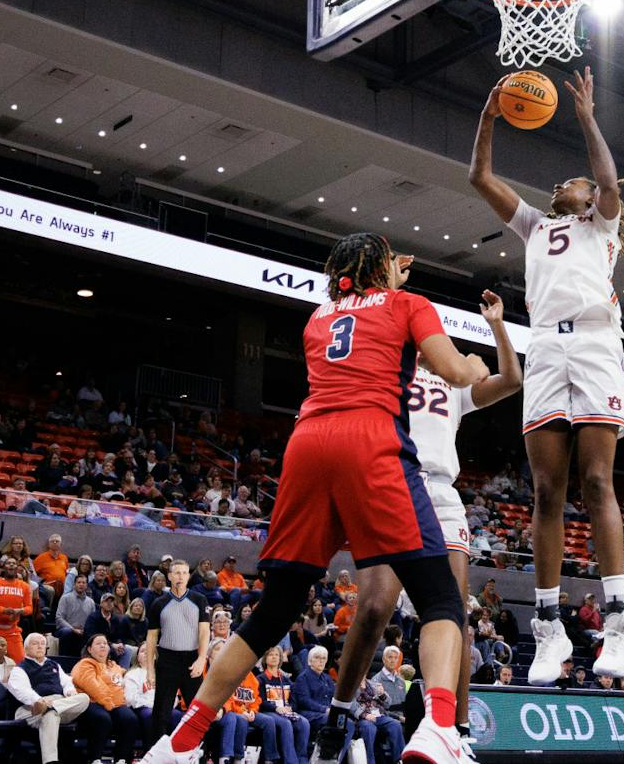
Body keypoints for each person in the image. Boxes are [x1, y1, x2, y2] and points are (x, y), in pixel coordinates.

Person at [138, 232, 487, 764]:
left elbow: (362, 318)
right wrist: (476, 366)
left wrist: (384, 280)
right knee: (440, 597)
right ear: (382, 268)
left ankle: (181, 740)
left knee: (275, 609)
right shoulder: (407, 302)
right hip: (370, 440)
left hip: (307, 444)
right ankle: (439, 726)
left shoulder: (318, 317)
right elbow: (456, 371)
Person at [470, 67, 624, 685]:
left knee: (596, 480)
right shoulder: (534, 224)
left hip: (598, 343)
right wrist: (490, 117)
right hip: (545, 346)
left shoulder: (601, 224)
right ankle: (549, 632)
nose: (563, 181)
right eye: (563, 180)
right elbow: (480, 178)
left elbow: (603, 176)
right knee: (546, 492)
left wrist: (585, 116)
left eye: (571, 179)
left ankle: (619, 623)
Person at [311, 288, 521, 760]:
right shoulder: (388, 371)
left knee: (454, 617)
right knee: (374, 608)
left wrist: (496, 327)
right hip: (393, 483)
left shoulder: (453, 385)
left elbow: (511, 378)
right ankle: (337, 717)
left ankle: (455, 731)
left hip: (443, 497)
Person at [145, 558, 211, 738]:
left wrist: (201, 658)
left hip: (192, 660)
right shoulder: (159, 603)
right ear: (169, 576)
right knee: (161, 713)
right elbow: (151, 638)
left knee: (196, 712)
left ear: (189, 576)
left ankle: (197, 754)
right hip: (167, 660)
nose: (180, 577)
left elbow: (205, 631)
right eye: (176, 573)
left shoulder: (199, 599)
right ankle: (156, 753)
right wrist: (150, 670)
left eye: (184, 573)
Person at [6, 631, 90, 764]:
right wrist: (39, 700)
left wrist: (70, 692)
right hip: (30, 709)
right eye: (35, 643)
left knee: (84, 698)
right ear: (26, 648)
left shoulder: (54, 665)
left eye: (42, 644)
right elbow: (22, 691)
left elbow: (67, 683)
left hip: (59, 705)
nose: (40, 646)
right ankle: (50, 761)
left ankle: (51, 708)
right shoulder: (19, 669)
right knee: (50, 715)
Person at [73, 634, 141, 764]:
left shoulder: (114, 665)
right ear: (89, 649)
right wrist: (109, 703)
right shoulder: (85, 664)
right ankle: (95, 759)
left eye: (105, 643)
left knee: (130, 719)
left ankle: (121, 759)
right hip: (93, 702)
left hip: (115, 704)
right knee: (103, 719)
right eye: (98, 643)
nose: (103, 645)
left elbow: (125, 675)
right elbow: (92, 685)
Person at [257, 646, 309, 764]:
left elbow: (293, 699)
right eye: (270, 654)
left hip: (285, 711)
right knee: (285, 723)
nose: (274, 657)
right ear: (265, 659)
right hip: (269, 712)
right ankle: (290, 761)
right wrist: (277, 708)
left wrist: (290, 707)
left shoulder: (285, 680)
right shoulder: (261, 679)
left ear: (280, 658)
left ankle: (302, 759)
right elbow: (260, 701)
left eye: (276, 655)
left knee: (304, 723)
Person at [0, 555, 36, 662]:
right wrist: (4, 610)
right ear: (3, 568)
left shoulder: (24, 586)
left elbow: (29, 609)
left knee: (20, 663)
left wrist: (20, 611)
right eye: (8, 563)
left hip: (12, 631)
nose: (11, 564)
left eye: (14, 563)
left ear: (17, 568)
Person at [56, 573, 97, 652]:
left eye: (83, 583)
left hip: (83, 632)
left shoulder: (91, 602)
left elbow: (92, 621)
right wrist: (73, 629)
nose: (81, 584)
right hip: (66, 630)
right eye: (78, 582)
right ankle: (63, 658)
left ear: (86, 585)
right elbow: (59, 618)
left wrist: (85, 630)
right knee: (67, 632)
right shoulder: (65, 598)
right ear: (74, 585)